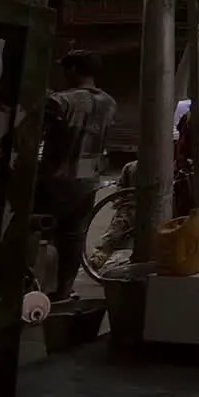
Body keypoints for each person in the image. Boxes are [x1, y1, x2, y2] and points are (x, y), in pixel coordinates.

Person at [34, 50, 116, 300]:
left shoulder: (61, 101)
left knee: (39, 235)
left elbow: (35, 134)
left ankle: (36, 290)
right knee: (73, 238)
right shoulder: (109, 103)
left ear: (72, 70)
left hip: (55, 180)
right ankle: (63, 291)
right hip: (87, 181)